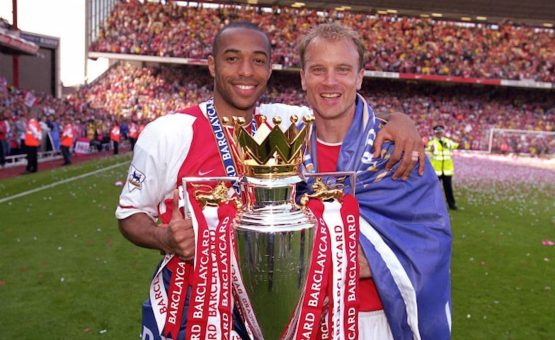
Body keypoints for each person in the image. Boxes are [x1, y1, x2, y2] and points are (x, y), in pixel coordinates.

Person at [116, 21, 425, 339]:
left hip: (271, 311)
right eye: (232, 58)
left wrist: (402, 121)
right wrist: (163, 237)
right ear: (212, 65)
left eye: (258, 60)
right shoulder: (171, 132)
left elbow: (339, 104)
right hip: (193, 314)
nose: (246, 72)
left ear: (269, 68)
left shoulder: (284, 120)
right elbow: (130, 216)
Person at [296, 23, 452, 339]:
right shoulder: (285, 151)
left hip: (376, 323)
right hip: (302, 321)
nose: (329, 81)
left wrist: (370, 258)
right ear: (302, 77)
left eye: (342, 69)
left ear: (359, 76)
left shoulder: (398, 155)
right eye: (318, 69)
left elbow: (432, 240)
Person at [426, 124, 459, 210]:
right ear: (435, 133)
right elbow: (428, 152)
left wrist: (457, 140)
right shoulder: (432, 143)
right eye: (437, 133)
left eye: (440, 132)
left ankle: (452, 205)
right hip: (436, 170)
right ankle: (432, 205)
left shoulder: (448, 142)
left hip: (447, 170)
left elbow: (456, 145)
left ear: (443, 132)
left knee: (448, 189)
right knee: (434, 189)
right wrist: (430, 150)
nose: (439, 134)